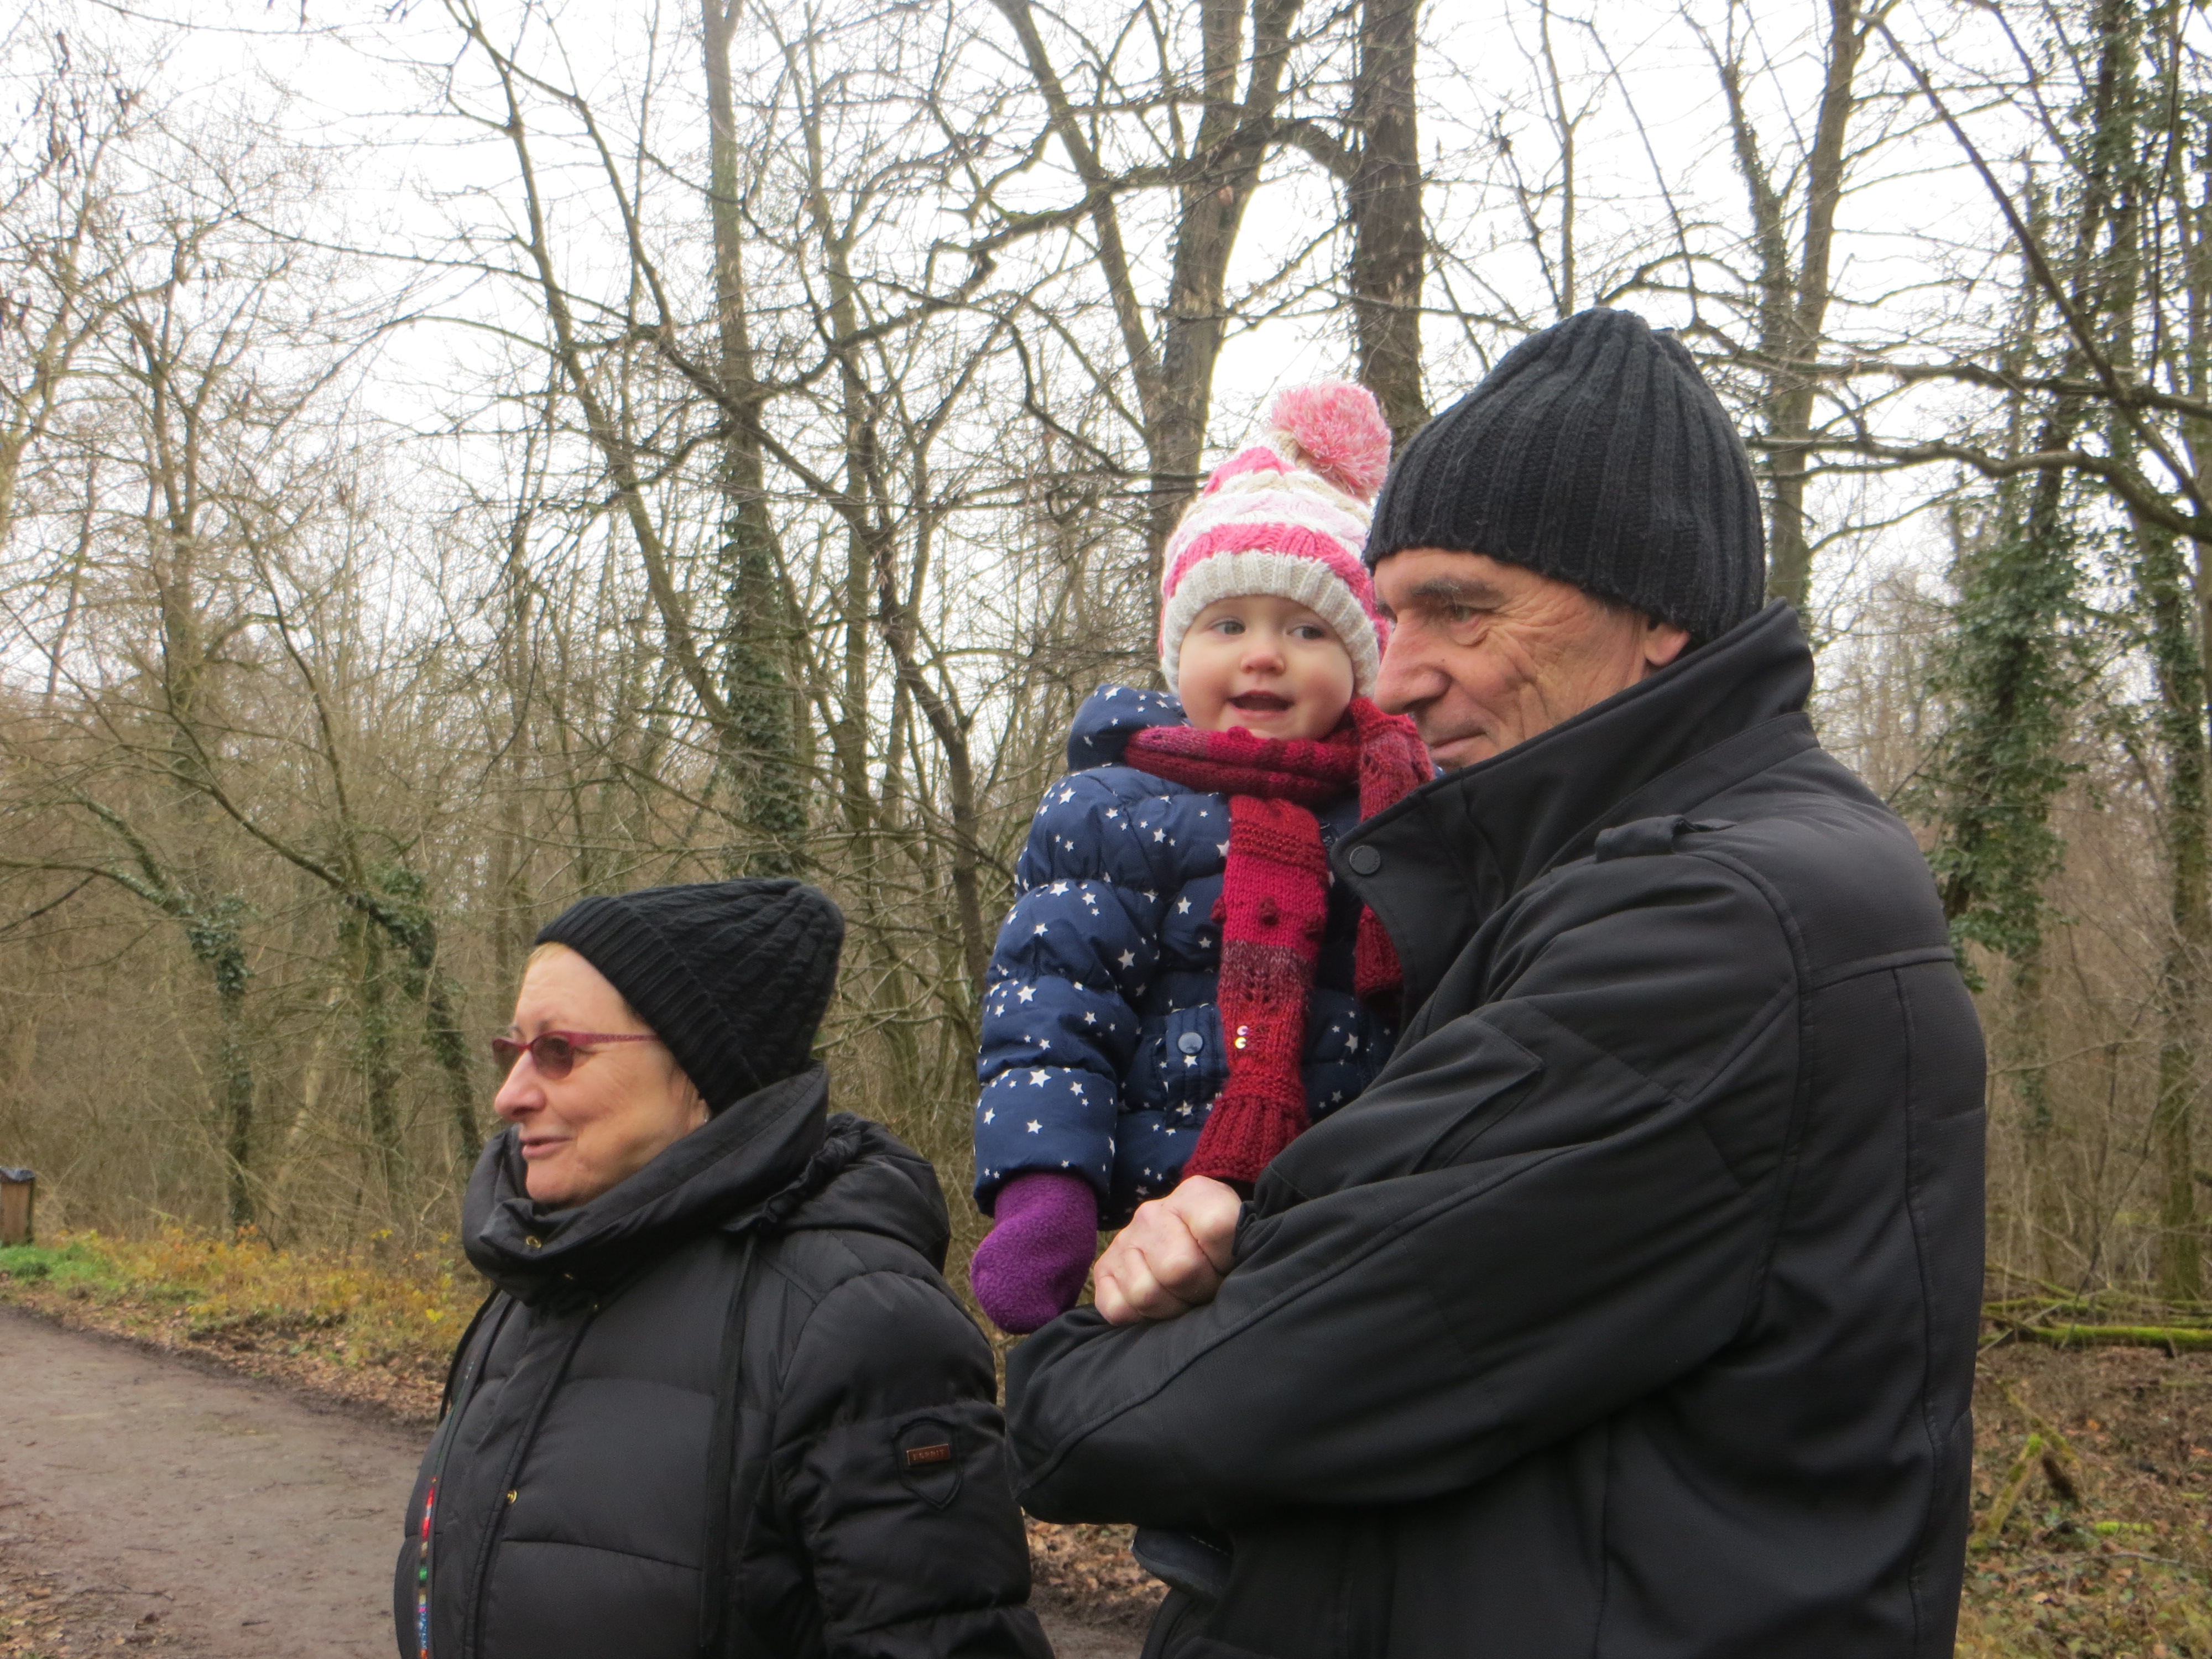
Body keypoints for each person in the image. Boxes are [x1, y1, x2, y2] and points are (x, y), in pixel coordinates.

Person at [1005, 308, 1987, 1657]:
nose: (1396, 675)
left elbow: (1276, 1366)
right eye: (1390, 611)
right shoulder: (1598, 879)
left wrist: (1074, 1358)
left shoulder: (1719, 921)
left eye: (1460, 610)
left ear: (1660, 614)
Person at [395, 879, 1050, 1659]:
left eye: (558, 1051)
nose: (510, 1096)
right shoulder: (536, 1281)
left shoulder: (858, 1323)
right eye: (512, 1051)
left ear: (700, 1073)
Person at [967, 382, 1431, 1335]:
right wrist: (1046, 1196)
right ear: (1178, 652)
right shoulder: (1113, 809)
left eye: (1307, 628)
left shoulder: (1398, 809)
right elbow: (1053, 1013)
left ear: (1363, 657)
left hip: (1356, 1223)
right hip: (1167, 1234)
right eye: (1229, 625)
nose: (1264, 655)